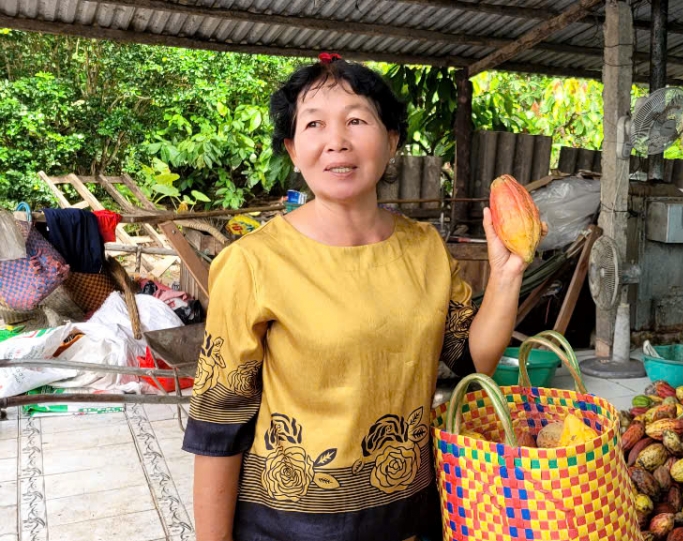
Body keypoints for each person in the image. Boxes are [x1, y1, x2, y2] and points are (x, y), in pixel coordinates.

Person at [182, 53, 528, 541]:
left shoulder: (425, 248)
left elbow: (474, 359)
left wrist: (506, 275)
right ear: (293, 149)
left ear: (392, 141)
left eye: (357, 121)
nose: (336, 141)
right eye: (314, 124)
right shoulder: (253, 263)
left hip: (410, 519)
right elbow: (219, 427)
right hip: (289, 528)